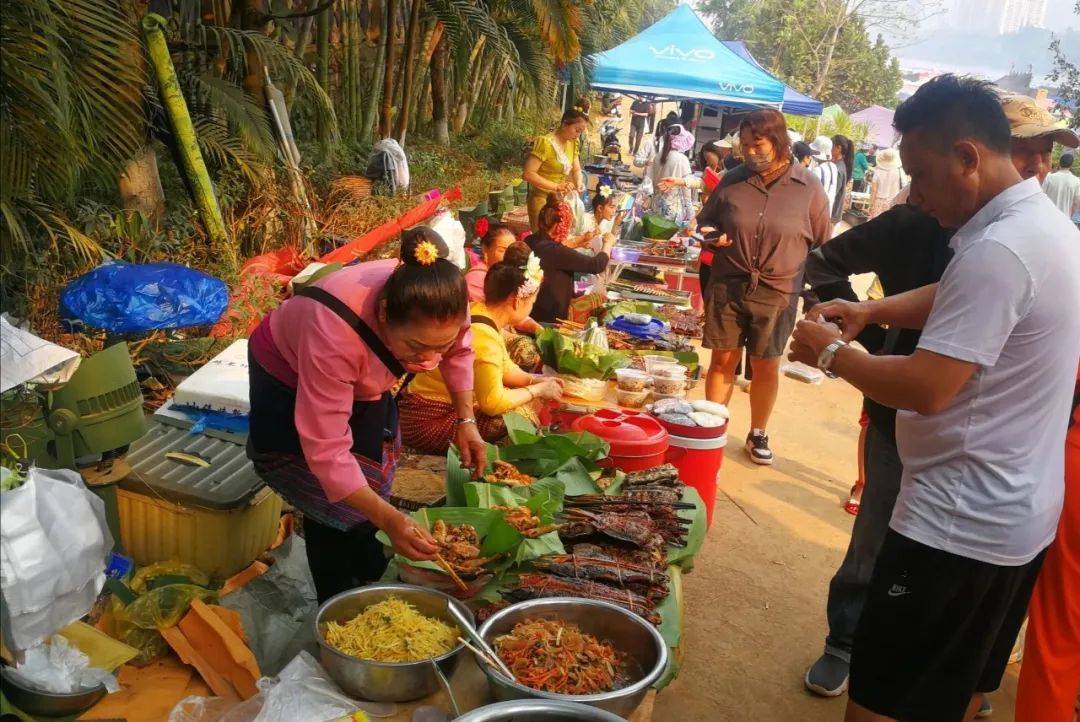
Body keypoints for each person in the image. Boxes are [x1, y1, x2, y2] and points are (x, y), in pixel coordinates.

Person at [788, 74, 1080, 722]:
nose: (914, 196)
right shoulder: (1041, 227)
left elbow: (927, 388)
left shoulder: (1000, 249)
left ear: (969, 157)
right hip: (1015, 517)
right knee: (957, 693)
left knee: (879, 705)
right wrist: (874, 310)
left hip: (955, 526)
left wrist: (833, 354)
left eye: (920, 175)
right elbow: (960, 299)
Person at [246, 228, 488, 603]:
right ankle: (338, 598)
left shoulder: (445, 301)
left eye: (439, 347)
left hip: (361, 372)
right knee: (327, 499)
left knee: (371, 472)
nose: (428, 362)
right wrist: (390, 518)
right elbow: (326, 450)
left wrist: (466, 421)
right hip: (288, 374)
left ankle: (370, 560)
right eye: (417, 348)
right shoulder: (334, 333)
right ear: (383, 314)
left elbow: (459, 353)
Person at [802, 193, 954, 698]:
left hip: (975, 427)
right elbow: (822, 262)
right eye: (1024, 150)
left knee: (952, 549)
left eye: (1044, 154)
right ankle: (844, 639)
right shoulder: (914, 222)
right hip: (900, 409)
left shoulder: (1020, 237)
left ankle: (942, 660)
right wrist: (873, 347)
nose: (1035, 166)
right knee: (875, 529)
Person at [696, 108, 832, 465]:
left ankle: (758, 431)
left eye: (757, 144)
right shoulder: (731, 180)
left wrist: (815, 296)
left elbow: (821, 244)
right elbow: (705, 222)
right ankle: (713, 429)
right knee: (721, 360)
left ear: (779, 140)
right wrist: (712, 238)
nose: (749, 151)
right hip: (729, 284)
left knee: (765, 364)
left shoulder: (809, 187)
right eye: (744, 145)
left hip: (779, 290)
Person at [398, 243, 564, 453]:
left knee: (526, 401)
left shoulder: (481, 313)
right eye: (531, 301)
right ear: (515, 301)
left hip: (436, 410)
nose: (531, 307)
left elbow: (506, 368)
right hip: (426, 419)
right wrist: (537, 390)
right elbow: (492, 403)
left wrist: (538, 380)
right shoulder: (483, 335)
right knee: (519, 415)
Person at [527, 194, 614, 323]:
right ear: (559, 227)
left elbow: (560, 247)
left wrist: (579, 241)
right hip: (548, 318)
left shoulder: (531, 240)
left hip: (533, 310)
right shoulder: (554, 251)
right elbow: (596, 265)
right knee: (599, 300)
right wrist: (608, 244)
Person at [523, 109, 588, 230]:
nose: (578, 134)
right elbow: (528, 174)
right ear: (564, 124)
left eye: (581, 132)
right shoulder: (545, 143)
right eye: (577, 130)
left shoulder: (573, 143)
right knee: (543, 239)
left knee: (558, 237)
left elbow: (576, 170)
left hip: (559, 199)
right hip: (541, 199)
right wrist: (556, 186)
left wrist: (579, 183)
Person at [647, 124, 697, 225]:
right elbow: (687, 193)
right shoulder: (682, 159)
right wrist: (691, 217)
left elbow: (651, 180)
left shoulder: (658, 156)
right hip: (672, 212)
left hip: (655, 207)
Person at [867, 147, 905, 218]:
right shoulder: (899, 172)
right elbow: (903, 188)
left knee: (875, 224)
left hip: (879, 202)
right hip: (893, 202)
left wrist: (871, 205)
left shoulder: (878, 172)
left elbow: (874, 190)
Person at [1043, 152, 1080, 217]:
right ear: (1071, 165)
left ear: (1059, 163)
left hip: (1048, 215)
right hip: (1065, 217)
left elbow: (1042, 196)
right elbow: (1076, 203)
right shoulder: (1076, 181)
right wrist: (1070, 216)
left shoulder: (1049, 177)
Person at [831, 134, 854, 223]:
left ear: (838, 148)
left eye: (831, 146)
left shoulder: (837, 168)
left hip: (832, 213)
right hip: (835, 213)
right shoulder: (841, 165)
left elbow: (833, 193)